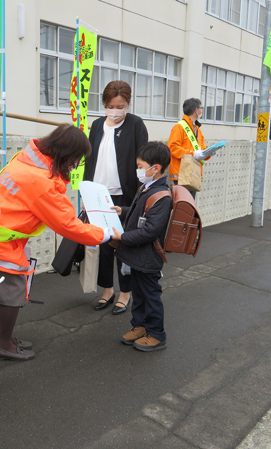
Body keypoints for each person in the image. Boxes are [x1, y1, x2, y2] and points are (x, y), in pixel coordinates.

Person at [0, 124, 111, 362]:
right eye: (76, 159)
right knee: (13, 293)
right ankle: (3, 344)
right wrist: (103, 233)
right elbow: (68, 225)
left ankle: (5, 339)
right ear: (66, 154)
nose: (75, 165)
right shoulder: (43, 182)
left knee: (4, 291)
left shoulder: (25, 159)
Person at [84, 80, 149, 315]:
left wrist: (142, 195)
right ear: (104, 104)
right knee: (102, 245)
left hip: (125, 196)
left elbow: (143, 161)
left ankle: (125, 293)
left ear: (128, 104)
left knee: (123, 244)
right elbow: (90, 160)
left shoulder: (135, 124)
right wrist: (86, 192)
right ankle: (107, 290)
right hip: (99, 195)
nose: (115, 110)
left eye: (120, 105)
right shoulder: (97, 125)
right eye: (111, 105)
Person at [110, 142, 173, 352]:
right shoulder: (147, 187)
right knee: (138, 293)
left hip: (148, 256)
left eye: (140, 166)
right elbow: (140, 214)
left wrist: (123, 236)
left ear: (155, 168)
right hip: (137, 255)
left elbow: (150, 231)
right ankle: (139, 326)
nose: (137, 170)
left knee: (150, 295)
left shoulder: (162, 196)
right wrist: (123, 210)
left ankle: (156, 334)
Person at [168, 98, 214, 198]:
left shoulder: (197, 129)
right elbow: (172, 148)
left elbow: (202, 150)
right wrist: (192, 153)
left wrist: (208, 153)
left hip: (193, 173)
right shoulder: (179, 127)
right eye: (201, 108)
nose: (202, 111)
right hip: (182, 174)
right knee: (183, 206)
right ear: (196, 110)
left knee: (190, 206)